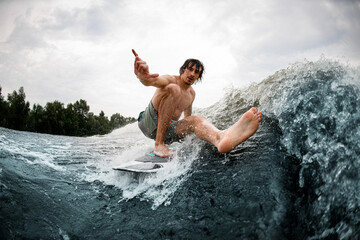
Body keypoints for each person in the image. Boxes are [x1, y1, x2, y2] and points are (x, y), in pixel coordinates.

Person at [133, 49, 262, 157]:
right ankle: (159, 145)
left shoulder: (191, 94)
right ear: (183, 70)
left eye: (196, 72)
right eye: (190, 69)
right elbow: (152, 81)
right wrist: (143, 77)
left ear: (198, 77)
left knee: (196, 120)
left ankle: (220, 138)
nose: (192, 74)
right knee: (174, 88)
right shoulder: (170, 79)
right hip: (147, 123)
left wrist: (187, 141)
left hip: (166, 129)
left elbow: (187, 120)